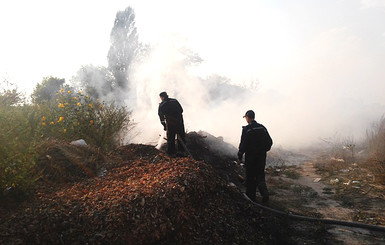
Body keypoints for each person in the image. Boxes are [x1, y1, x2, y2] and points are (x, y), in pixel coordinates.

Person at [238, 110, 273, 203]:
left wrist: (240, 155)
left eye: (245, 117)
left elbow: (243, 144)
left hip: (251, 158)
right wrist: (263, 150)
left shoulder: (247, 129)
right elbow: (269, 142)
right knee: (260, 175)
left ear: (248, 117)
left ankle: (251, 198)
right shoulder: (262, 128)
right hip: (261, 157)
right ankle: (265, 194)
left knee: (250, 177)